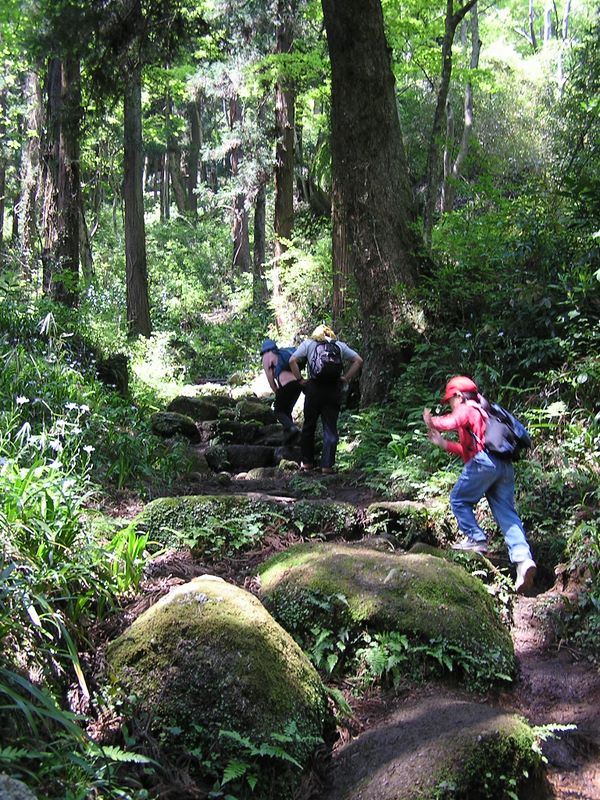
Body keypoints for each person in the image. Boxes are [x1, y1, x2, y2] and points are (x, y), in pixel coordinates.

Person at [423, 375, 537, 595]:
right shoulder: (485, 412)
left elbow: (452, 422)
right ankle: (523, 560)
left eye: (450, 401)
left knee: (458, 499)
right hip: (503, 466)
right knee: (507, 513)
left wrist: (432, 421)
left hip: (485, 463)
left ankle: (476, 539)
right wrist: (444, 443)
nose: (450, 405)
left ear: (458, 396)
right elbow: (469, 452)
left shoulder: (467, 407)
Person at [289, 325, 363, 474]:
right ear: (332, 334)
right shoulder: (339, 345)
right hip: (333, 390)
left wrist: (300, 380)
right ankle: (327, 466)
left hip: (314, 388)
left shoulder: (308, 344)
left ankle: (307, 463)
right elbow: (358, 360)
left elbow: (292, 360)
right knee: (330, 427)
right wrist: (346, 378)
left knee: (309, 426)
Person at [261, 339, 302, 444]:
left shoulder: (266, 357)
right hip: (297, 385)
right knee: (287, 411)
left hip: (285, 386)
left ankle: (293, 429)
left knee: (278, 410)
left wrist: (276, 391)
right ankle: (291, 440)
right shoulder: (280, 354)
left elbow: (270, 380)